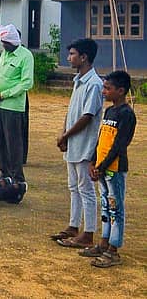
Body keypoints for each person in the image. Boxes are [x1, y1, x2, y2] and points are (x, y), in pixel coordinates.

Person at [82, 70, 137, 268]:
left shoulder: (126, 114)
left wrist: (103, 166)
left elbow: (119, 145)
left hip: (114, 169)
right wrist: (93, 162)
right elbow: (101, 139)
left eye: (108, 88)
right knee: (105, 205)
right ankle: (103, 242)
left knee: (116, 208)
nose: (103, 91)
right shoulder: (109, 111)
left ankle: (113, 250)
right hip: (102, 168)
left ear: (120, 91)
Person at [53, 39, 103, 249]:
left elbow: (87, 116)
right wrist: (63, 134)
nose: (69, 58)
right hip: (73, 142)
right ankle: (73, 226)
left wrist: (67, 135)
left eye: (72, 54)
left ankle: (88, 233)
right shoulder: (78, 80)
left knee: (86, 189)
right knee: (73, 186)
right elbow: (72, 111)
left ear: (84, 57)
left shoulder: (94, 84)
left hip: (84, 144)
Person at [0, 24, 34, 183]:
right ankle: (4, 174)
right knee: (0, 142)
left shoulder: (25, 55)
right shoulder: (4, 54)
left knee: (13, 144)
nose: (4, 46)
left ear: (14, 42)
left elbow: (27, 83)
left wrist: (4, 95)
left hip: (12, 107)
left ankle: (17, 178)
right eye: (3, 43)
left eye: (6, 43)